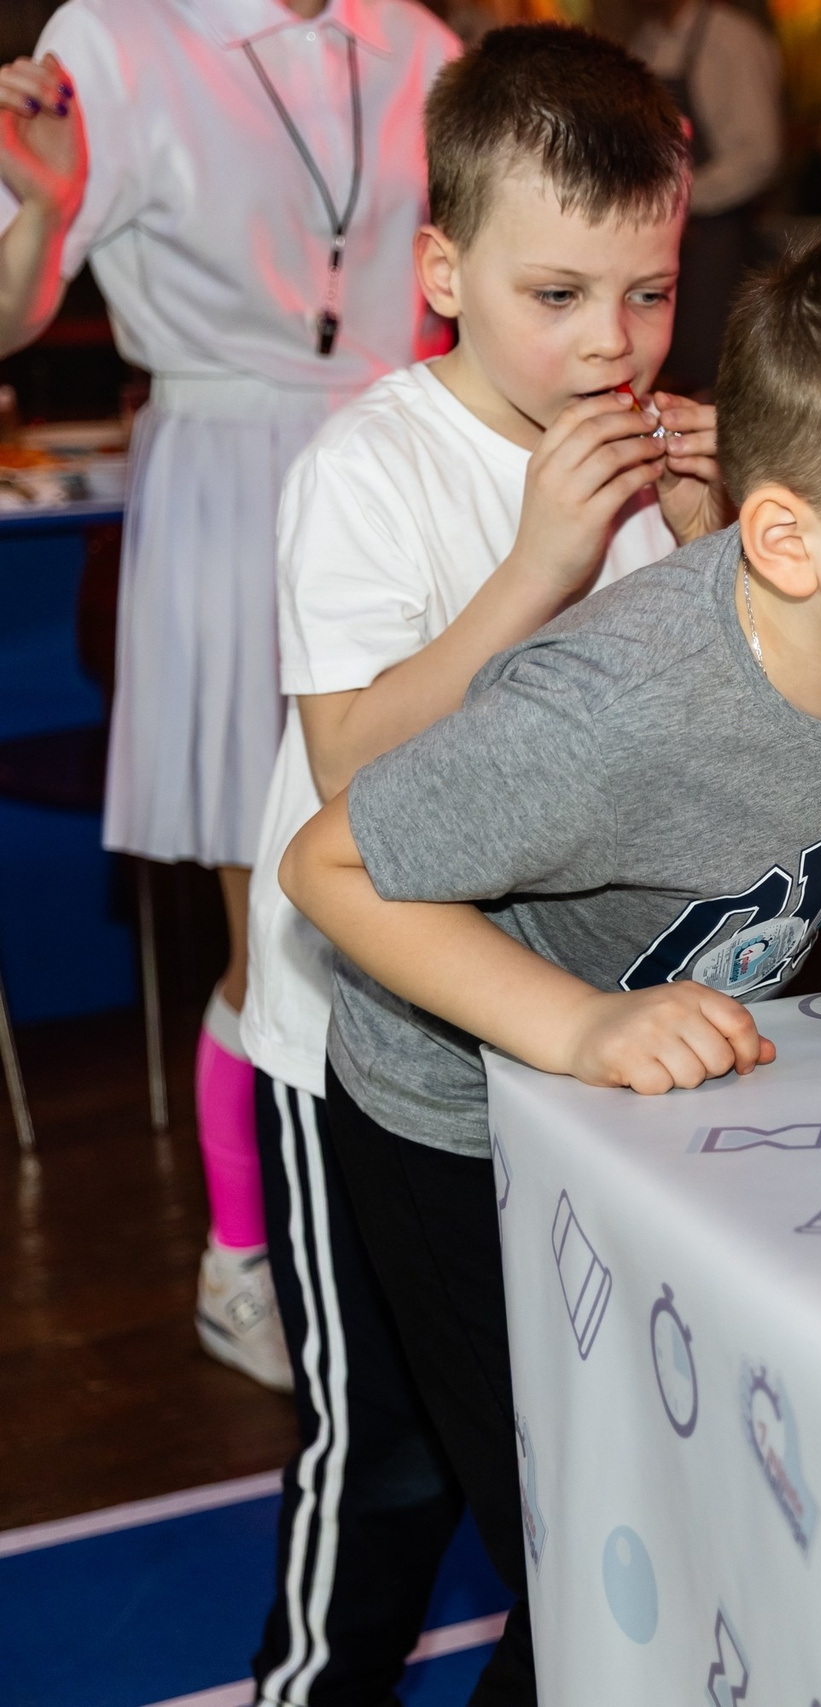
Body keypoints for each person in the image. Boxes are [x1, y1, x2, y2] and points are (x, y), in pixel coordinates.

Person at [278, 231, 821, 1692]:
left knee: (672, 1505)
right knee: (588, 1543)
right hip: (456, 1123)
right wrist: (575, 1028)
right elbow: (326, 864)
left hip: (642, 1111)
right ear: (786, 543)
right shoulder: (615, 710)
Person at [239, 26, 708, 1702]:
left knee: (559, 1447)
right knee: (393, 1466)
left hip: (543, 1034)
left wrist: (726, 563)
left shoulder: (641, 469)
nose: (612, 344)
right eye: (559, 295)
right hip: (344, 1047)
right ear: (442, 268)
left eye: (648, 294)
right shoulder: (368, 468)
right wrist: (539, 565)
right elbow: (357, 765)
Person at [0, 0, 457, 1391]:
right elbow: (10, 312)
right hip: (225, 483)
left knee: (435, 888)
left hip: (405, 470)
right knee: (277, 922)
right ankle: (240, 1260)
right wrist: (44, 200)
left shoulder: (421, 43)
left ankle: (397, 1242)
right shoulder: (119, 37)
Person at [626, 0, 779, 393]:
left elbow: (759, 154)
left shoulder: (731, 38)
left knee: (716, 376)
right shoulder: (646, 40)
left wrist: (679, 198)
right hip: (658, 237)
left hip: (718, 242)